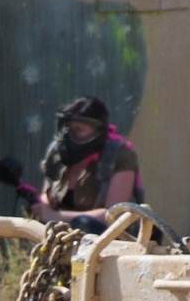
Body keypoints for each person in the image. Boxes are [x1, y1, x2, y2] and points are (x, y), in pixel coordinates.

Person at [34, 96, 141, 228]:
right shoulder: (58, 153)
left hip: (110, 241)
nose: (69, 135)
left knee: (85, 223)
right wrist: (42, 208)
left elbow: (114, 215)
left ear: (98, 132)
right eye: (67, 128)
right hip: (61, 239)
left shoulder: (119, 155)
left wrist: (57, 217)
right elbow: (47, 195)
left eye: (79, 129)